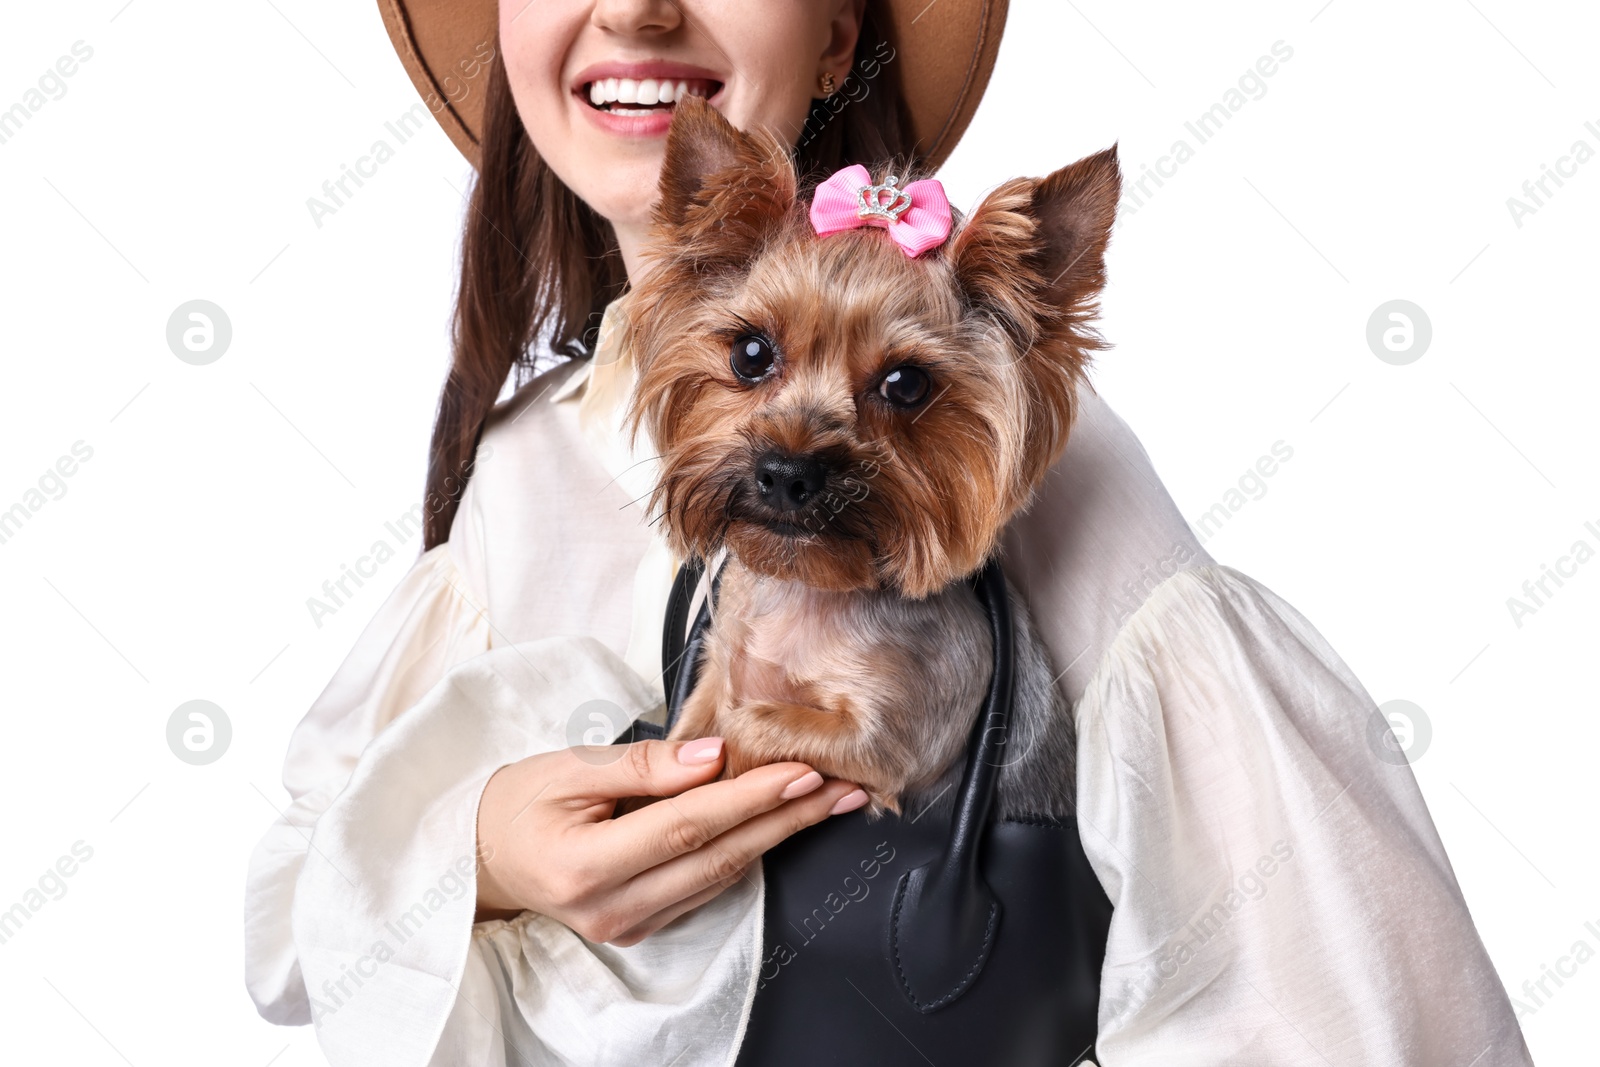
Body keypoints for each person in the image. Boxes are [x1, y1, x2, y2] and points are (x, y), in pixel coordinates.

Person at [245, 2, 1533, 1063]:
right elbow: (291, 929)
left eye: (902, 387)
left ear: (843, 29)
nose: (637, 8)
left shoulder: (1041, 471)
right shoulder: (520, 475)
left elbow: (1342, 983)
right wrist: (483, 854)